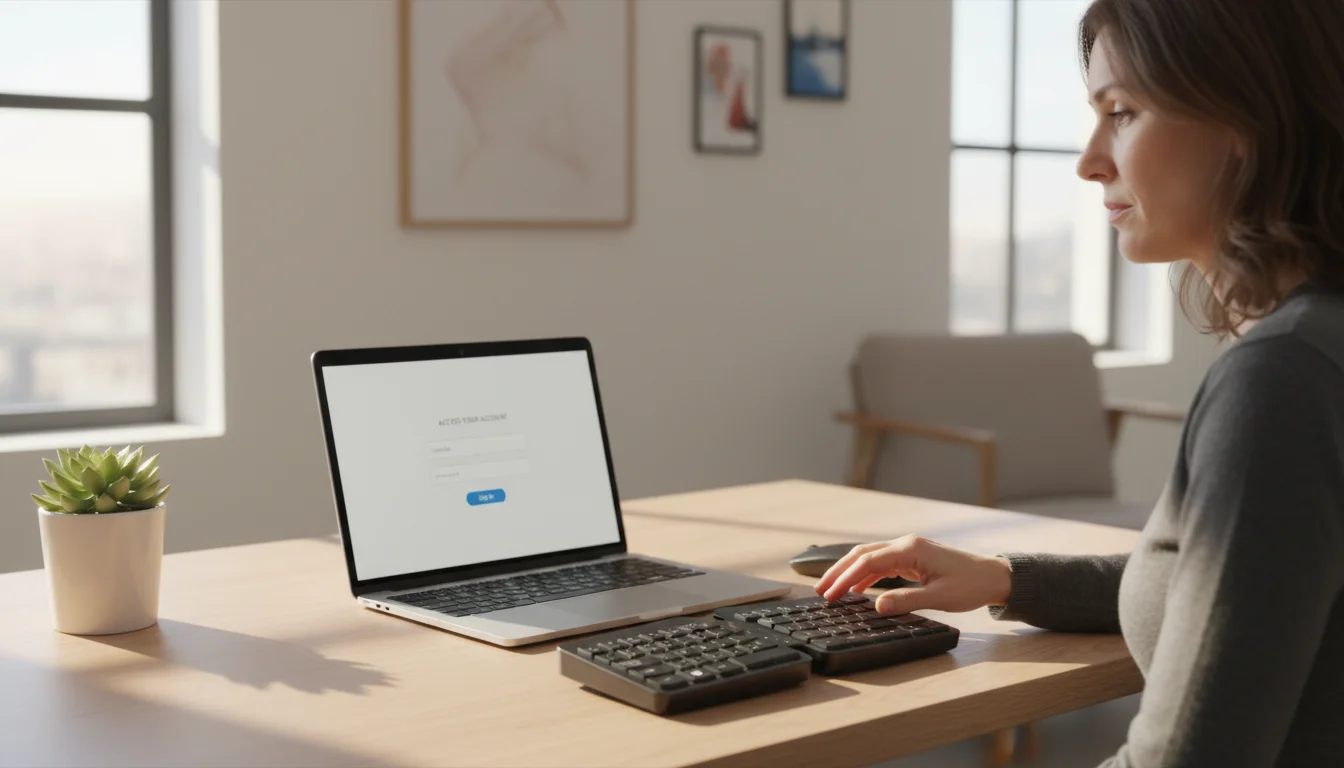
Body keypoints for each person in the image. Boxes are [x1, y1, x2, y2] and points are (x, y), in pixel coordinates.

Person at [816, 1, 1344, 765]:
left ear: (1247, 119)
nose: (1090, 159)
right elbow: (1245, 589)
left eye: (1122, 113)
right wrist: (1004, 578)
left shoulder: (1282, 381)